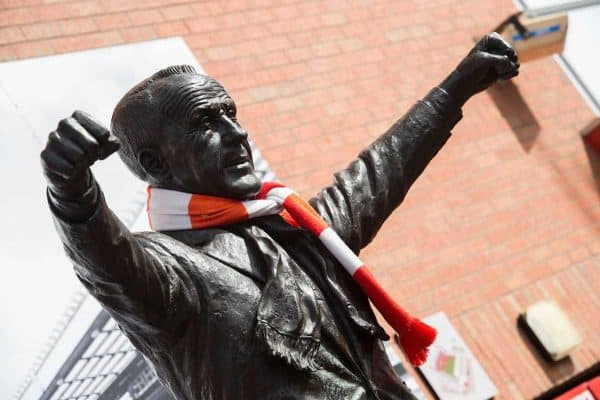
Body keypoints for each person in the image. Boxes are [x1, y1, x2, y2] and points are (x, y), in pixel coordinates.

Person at [41, 33, 519, 400]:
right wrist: (71, 192)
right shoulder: (168, 273)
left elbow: (379, 171)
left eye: (231, 113)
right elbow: (106, 262)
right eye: (207, 122)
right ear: (156, 164)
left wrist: (458, 86)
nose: (237, 132)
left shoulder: (294, 224)